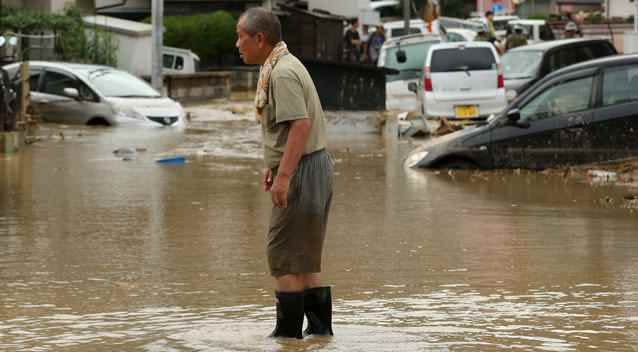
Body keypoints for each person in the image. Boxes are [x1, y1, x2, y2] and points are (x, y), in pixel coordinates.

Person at [235, 7, 335, 339]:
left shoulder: (281, 73)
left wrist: (283, 176)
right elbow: (288, 129)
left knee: (282, 256)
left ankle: (287, 339)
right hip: (312, 166)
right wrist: (273, 165)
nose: (237, 44)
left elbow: (300, 126)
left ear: (259, 39)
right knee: (302, 259)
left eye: (241, 37)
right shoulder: (283, 64)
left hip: (304, 170)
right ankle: (319, 337)